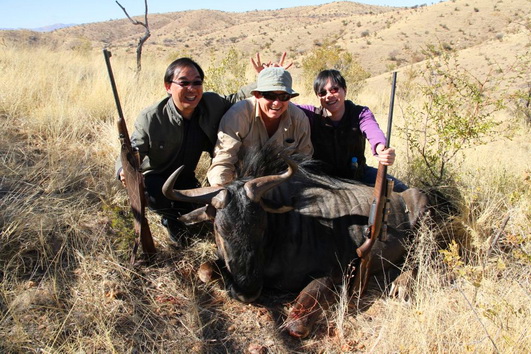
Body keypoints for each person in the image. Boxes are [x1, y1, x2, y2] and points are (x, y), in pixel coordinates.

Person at [115, 57, 257, 246]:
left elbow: (236, 98)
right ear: (168, 86)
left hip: (186, 177)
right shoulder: (150, 118)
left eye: (197, 82)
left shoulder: (211, 104)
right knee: (160, 198)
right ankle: (168, 218)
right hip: (156, 177)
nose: (192, 89)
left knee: (202, 209)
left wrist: (263, 79)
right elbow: (132, 150)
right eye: (184, 83)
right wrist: (122, 171)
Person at [296, 69, 408, 192]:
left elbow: (372, 130)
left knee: (403, 191)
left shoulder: (360, 113)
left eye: (334, 89)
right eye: (322, 93)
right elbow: (284, 104)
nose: (328, 95)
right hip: (323, 180)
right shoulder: (311, 115)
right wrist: (274, 79)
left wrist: (381, 148)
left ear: (345, 90)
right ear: (318, 97)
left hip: (358, 175)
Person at [206, 67, 313, 186]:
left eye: (284, 97)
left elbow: (304, 164)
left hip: (281, 186)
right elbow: (224, 160)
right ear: (257, 95)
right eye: (270, 96)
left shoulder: (299, 119)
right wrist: (222, 190)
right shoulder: (238, 115)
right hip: (240, 185)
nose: (277, 103)